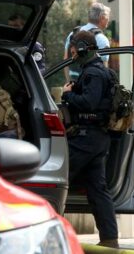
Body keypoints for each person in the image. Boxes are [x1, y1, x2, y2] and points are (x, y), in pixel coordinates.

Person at [62, 30, 118, 249]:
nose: (73, 54)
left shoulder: (93, 74)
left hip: (86, 138)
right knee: (97, 190)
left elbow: (89, 103)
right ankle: (110, 239)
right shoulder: (101, 71)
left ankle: (44, 231)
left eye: (74, 49)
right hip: (97, 138)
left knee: (58, 180)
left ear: (84, 48)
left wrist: (67, 95)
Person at [64, 2, 111, 81]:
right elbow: (103, 69)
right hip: (91, 85)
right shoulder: (102, 39)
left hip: (73, 83)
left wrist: (69, 83)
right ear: (102, 18)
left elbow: (66, 60)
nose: (108, 20)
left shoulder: (72, 34)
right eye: (107, 17)